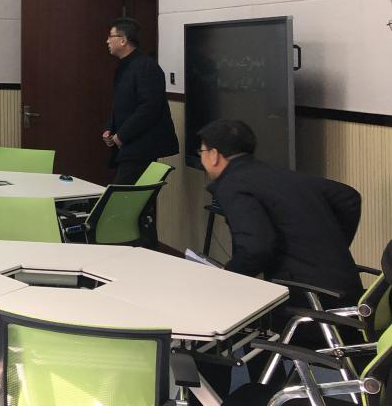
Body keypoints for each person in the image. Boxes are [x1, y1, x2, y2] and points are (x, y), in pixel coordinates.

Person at [198, 118, 361, 301]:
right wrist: (332, 245)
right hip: (346, 288)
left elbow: (255, 249)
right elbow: (349, 198)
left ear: (214, 155)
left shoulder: (232, 184)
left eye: (202, 151)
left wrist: (228, 275)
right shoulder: (273, 173)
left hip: (311, 297)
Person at [102, 17, 178, 186]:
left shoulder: (146, 66)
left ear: (123, 40)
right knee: (131, 195)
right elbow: (122, 103)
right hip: (128, 143)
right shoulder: (124, 66)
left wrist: (122, 135)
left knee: (123, 195)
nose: (107, 41)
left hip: (142, 144)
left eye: (110, 36)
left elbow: (149, 107)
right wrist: (110, 128)